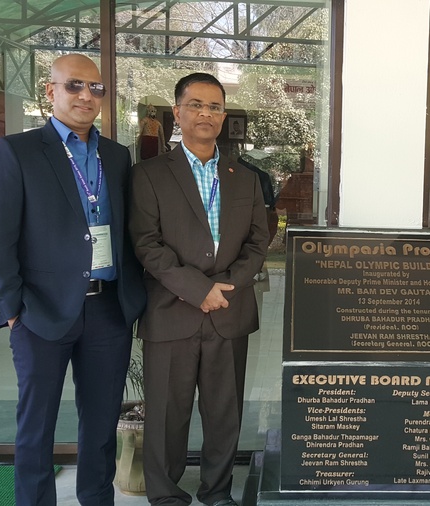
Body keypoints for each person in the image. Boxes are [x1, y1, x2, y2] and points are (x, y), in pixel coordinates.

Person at [0, 53, 146, 506]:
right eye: (74, 85)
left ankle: (97, 499)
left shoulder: (116, 155)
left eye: (95, 88)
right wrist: (12, 310)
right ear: (50, 91)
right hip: (41, 313)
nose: (86, 96)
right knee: (37, 426)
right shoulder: (16, 151)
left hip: (108, 310)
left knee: (100, 424)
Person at [130, 72, 269, 506]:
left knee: (224, 414)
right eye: (195, 104)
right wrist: (197, 289)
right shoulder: (148, 174)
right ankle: (166, 495)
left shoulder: (245, 177)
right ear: (177, 112)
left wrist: (225, 287)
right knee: (168, 415)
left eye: (214, 106)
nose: (205, 113)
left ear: (223, 115)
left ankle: (217, 492)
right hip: (171, 310)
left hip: (228, 311)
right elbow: (147, 244)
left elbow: (259, 241)